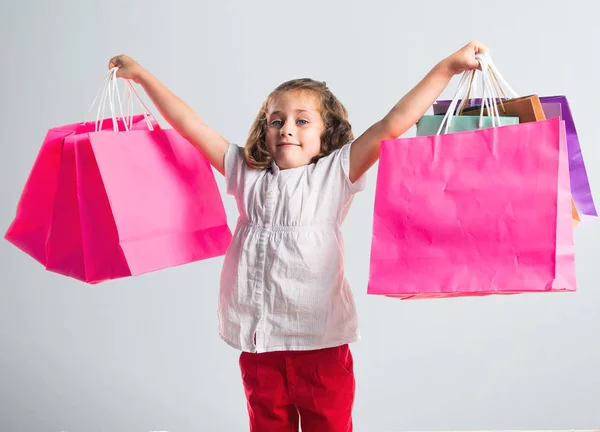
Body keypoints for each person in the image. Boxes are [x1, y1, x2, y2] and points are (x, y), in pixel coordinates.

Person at [108, 40, 487, 432]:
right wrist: (142, 76)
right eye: (276, 120)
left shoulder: (336, 173)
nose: (286, 128)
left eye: (302, 121)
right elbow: (192, 126)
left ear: (327, 135)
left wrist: (449, 68)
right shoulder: (246, 172)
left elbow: (393, 123)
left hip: (320, 344)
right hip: (261, 345)